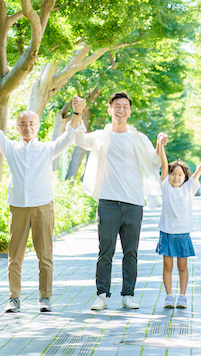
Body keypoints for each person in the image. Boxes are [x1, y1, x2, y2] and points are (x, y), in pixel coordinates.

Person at [0, 78, 85, 313]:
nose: (27, 127)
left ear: (37, 126)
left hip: (43, 207)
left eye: (31, 123)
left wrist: (77, 112)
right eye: (23, 124)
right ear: (17, 128)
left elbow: (69, 135)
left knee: (45, 256)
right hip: (18, 207)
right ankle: (13, 298)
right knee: (14, 257)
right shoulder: (10, 148)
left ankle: (45, 298)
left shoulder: (47, 149)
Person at [72, 92, 165, 311]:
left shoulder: (139, 138)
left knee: (131, 252)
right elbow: (79, 139)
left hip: (133, 203)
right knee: (105, 251)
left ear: (129, 111)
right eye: (117, 106)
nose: (121, 110)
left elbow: (156, 162)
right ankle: (102, 295)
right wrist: (78, 113)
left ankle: (128, 295)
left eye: (125, 107)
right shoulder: (101, 136)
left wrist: (160, 144)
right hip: (108, 202)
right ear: (110, 110)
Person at [156, 141, 201, 309]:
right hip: (166, 233)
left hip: (183, 234)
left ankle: (183, 296)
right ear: (168, 176)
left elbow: (199, 172)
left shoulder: (188, 188)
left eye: (180, 174)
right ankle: (169, 296)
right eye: (173, 174)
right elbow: (164, 164)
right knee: (167, 266)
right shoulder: (165, 187)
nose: (176, 177)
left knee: (182, 267)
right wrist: (161, 145)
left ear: (185, 177)